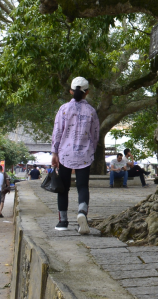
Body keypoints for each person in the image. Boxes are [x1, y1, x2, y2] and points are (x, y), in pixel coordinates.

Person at [52, 76, 100, 234]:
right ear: (87, 92)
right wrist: (91, 150)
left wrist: (54, 152)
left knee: (63, 188)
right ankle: (81, 213)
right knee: (82, 186)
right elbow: (95, 134)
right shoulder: (91, 111)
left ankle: (62, 221)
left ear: (71, 91)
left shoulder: (63, 109)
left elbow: (58, 131)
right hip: (84, 154)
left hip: (65, 154)